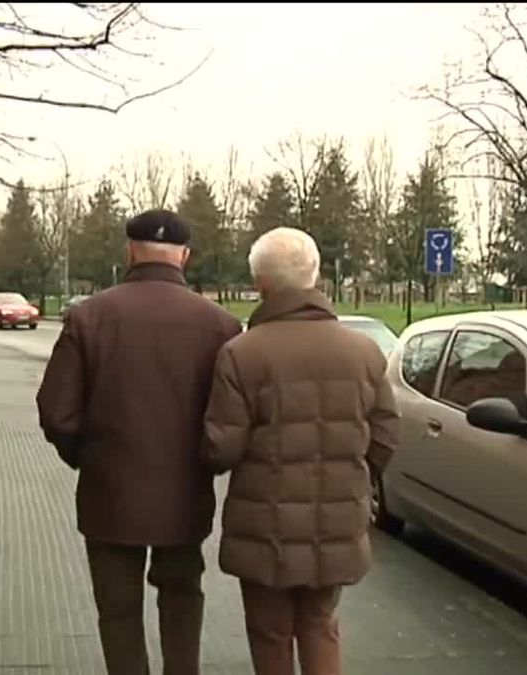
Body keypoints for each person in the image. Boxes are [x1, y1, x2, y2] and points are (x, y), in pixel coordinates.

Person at [36, 209, 241, 675]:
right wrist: (206, 464)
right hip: (185, 495)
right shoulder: (222, 326)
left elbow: (57, 411)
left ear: (129, 251)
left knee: (118, 609)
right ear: (184, 257)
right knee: (183, 596)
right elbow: (230, 419)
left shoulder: (89, 317)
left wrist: (89, 458)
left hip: (110, 493)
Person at [201, 227, 400, 675]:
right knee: (321, 624)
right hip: (338, 521)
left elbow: (222, 448)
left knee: (270, 631)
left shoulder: (240, 354)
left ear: (260, 283)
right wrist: (356, 478)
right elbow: (386, 434)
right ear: (316, 276)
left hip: (263, 526)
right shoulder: (364, 352)